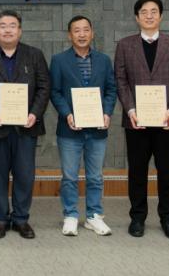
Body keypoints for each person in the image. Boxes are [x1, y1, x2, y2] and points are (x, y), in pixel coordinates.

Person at [115, 0, 169, 240]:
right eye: (144, 12)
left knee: (167, 172)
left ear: (161, 16)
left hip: (168, 121)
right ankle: (137, 218)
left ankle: (168, 219)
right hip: (136, 121)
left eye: (154, 11)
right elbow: (120, 81)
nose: (149, 15)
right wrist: (130, 109)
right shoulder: (124, 45)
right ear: (136, 17)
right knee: (137, 171)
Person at [0, 10, 50, 239]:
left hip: (26, 127)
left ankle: (21, 219)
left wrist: (34, 113)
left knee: (25, 175)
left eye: (12, 25)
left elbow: (44, 86)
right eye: (3, 26)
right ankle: (1, 219)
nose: (8, 30)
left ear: (20, 30)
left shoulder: (34, 55)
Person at [50, 15, 116, 237]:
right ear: (70, 35)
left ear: (92, 33)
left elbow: (111, 90)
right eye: (76, 30)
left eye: (86, 29)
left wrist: (107, 113)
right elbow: (55, 92)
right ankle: (70, 215)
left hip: (97, 130)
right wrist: (67, 114)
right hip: (69, 129)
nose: (81, 34)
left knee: (95, 176)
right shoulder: (59, 60)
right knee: (69, 176)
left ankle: (93, 216)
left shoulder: (104, 60)